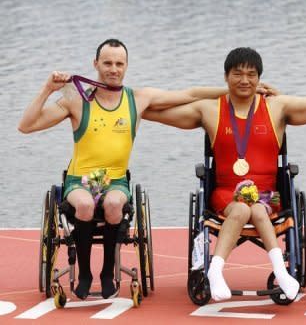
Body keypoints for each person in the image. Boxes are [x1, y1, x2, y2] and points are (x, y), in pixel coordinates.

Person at [143, 47, 306, 301]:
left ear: (260, 79)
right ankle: (217, 271)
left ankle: (279, 271)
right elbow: (161, 113)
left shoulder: (276, 107)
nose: (245, 80)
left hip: (268, 197)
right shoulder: (210, 110)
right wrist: (133, 106)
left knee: (256, 208)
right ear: (226, 77)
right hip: (226, 195)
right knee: (241, 209)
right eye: (237, 74)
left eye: (251, 75)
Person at [18, 39, 232, 300]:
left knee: (114, 204)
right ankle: (85, 274)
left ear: (126, 66)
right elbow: (26, 126)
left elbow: (189, 93)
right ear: (95, 64)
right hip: (79, 182)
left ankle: (108, 272)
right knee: (84, 206)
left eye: (119, 64)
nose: (113, 69)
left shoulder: (138, 98)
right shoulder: (77, 98)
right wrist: (47, 89)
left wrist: (234, 90)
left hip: (115, 181)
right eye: (107, 63)